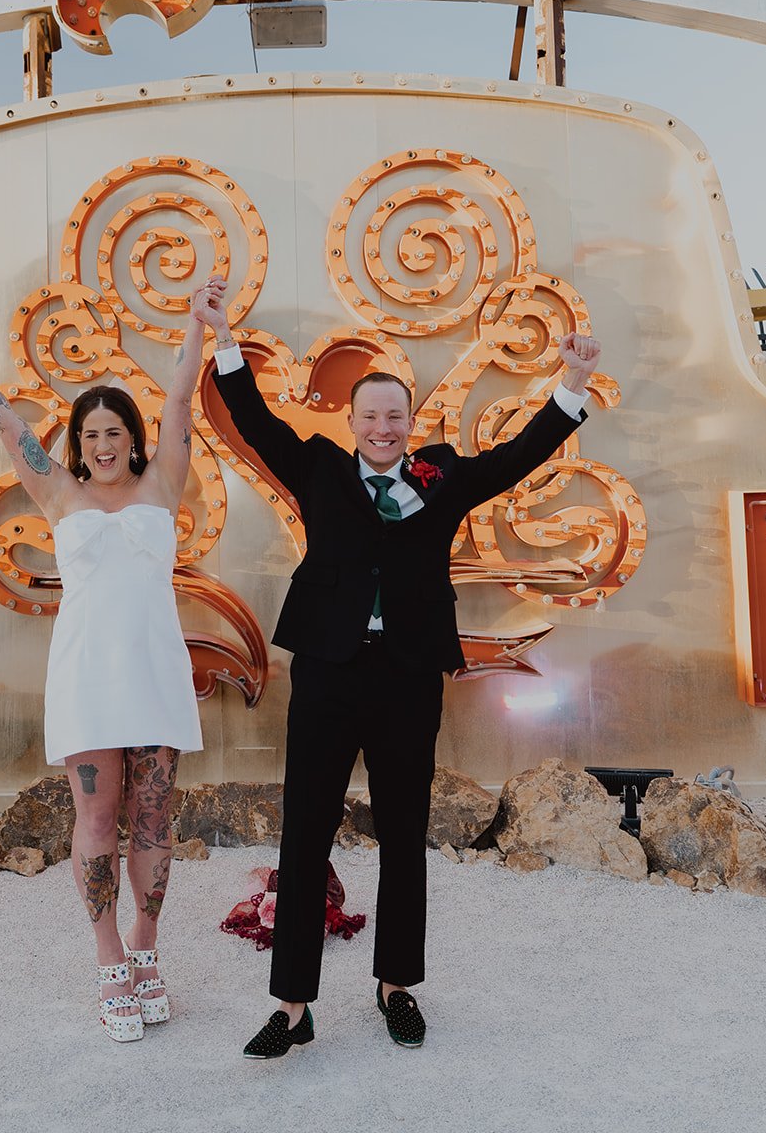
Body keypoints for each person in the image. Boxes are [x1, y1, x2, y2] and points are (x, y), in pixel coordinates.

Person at [202, 288, 601, 1057]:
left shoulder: (438, 477)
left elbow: (514, 459)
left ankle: (396, 987)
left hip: (408, 675)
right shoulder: (318, 470)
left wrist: (571, 388)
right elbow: (254, 424)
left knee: (403, 835)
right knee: (304, 832)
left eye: (395, 417)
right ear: (351, 425)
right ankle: (292, 1006)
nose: (383, 428)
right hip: (326, 671)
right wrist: (223, 337)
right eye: (370, 417)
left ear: (407, 424)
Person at [0, 278, 224, 1041]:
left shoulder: (163, 482)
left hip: (156, 670)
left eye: (113, 431)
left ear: (130, 436)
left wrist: (197, 325)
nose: (102, 444)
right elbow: (5, 422)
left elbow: (183, 399)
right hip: (89, 674)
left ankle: (148, 953)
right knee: (96, 817)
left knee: (154, 818)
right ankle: (108, 960)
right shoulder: (56, 491)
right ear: (78, 442)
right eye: (89, 433)